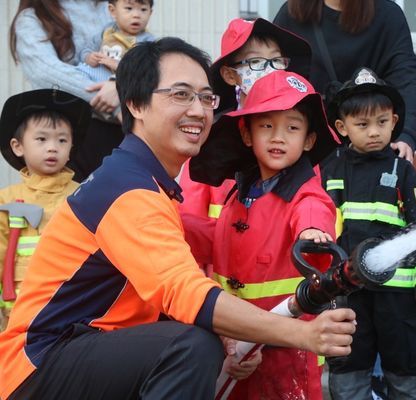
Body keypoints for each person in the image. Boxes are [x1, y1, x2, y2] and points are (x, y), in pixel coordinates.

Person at [0, 37, 356, 400]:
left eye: (205, 97)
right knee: (191, 347)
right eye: (181, 94)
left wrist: (232, 336)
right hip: (37, 366)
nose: (199, 111)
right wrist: (303, 335)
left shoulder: (148, 183)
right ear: (136, 105)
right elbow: (185, 293)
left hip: (74, 354)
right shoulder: (128, 189)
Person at [184, 70, 340, 399]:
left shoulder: (304, 194)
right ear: (246, 134)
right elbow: (222, 240)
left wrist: (313, 233)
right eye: (266, 126)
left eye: (292, 128)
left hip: (287, 346)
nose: (278, 137)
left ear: (309, 140)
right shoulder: (239, 193)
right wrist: (171, 222)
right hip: (232, 335)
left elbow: (315, 209)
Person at [321, 68, 416, 400]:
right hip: (349, 292)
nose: (374, 132)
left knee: (409, 360)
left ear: (394, 121)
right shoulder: (331, 172)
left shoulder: (403, 171)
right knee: (348, 360)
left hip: (399, 295)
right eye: (362, 125)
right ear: (341, 127)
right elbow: (321, 226)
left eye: (382, 122)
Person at [178, 17, 311, 233]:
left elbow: (311, 197)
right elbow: (190, 210)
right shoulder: (215, 132)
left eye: (277, 61)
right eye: (256, 62)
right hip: (219, 256)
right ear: (230, 75)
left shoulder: (297, 127)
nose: (270, 70)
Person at [273, 0, 416, 162]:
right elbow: (274, 79)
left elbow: (405, 78)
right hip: (306, 149)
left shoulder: (387, 14)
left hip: (370, 150)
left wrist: (405, 135)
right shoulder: (292, 13)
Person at [0, 89, 90, 331]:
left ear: (71, 147)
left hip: (70, 306)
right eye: (41, 139)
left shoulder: (84, 195)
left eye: (62, 140)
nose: (53, 148)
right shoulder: (7, 199)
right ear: (18, 146)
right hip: (18, 310)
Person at [10, 0, 123, 182]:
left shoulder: (112, 7)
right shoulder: (33, 17)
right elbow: (48, 73)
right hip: (72, 136)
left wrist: (120, 85)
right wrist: (116, 100)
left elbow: (138, 55)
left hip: (124, 131)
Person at [77, 0, 155, 83]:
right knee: (79, 71)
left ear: (150, 13)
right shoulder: (107, 30)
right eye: (129, 8)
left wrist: (119, 66)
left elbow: (146, 71)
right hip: (97, 73)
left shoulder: (148, 42)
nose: (136, 15)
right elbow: (87, 48)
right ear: (113, 11)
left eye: (143, 10)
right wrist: (88, 57)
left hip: (123, 81)